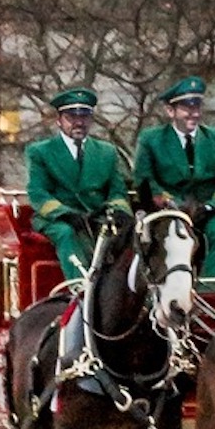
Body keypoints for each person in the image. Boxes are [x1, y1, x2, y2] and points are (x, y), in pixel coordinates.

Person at [132, 75, 215, 280]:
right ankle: (163, 291)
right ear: (170, 111)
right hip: (168, 211)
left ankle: (209, 290)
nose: (193, 114)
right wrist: (168, 202)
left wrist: (212, 206)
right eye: (186, 108)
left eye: (197, 107)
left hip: (208, 212)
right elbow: (144, 178)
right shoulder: (151, 139)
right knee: (169, 238)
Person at [26, 86, 131, 282]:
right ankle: (81, 286)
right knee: (66, 234)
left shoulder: (107, 152)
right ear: (59, 120)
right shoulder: (41, 152)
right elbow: (38, 192)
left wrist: (118, 210)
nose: (79, 122)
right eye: (71, 117)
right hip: (58, 220)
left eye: (84, 116)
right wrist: (65, 213)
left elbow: (117, 191)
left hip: (97, 216)